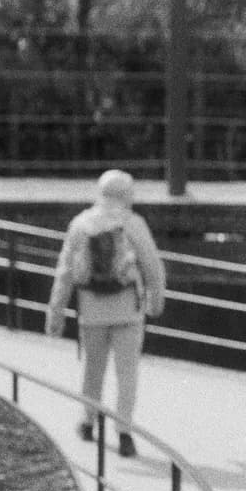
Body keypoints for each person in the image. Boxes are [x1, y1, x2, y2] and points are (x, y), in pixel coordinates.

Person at [46, 169, 166, 458]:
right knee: (127, 374)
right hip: (128, 312)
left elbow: (64, 272)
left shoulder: (81, 223)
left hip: (92, 311)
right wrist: (156, 300)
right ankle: (124, 433)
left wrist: (56, 313)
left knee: (93, 370)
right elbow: (152, 265)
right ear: (127, 195)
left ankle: (88, 422)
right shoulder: (133, 223)